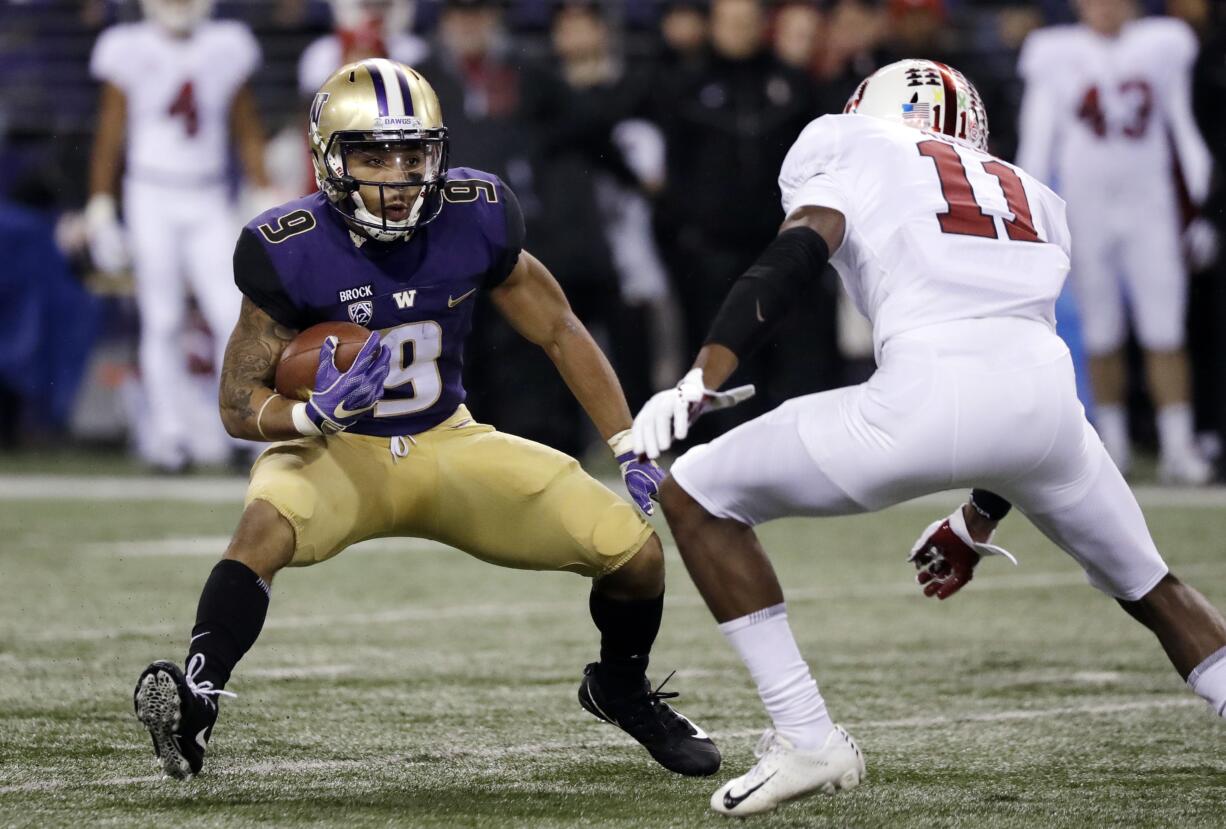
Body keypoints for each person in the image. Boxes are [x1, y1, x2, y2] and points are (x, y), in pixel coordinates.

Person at [631, 59, 1226, 816]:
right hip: (1048, 409)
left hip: (922, 398)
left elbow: (797, 252)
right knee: (1156, 589)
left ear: (866, 109)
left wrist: (700, 375)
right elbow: (1003, 382)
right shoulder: (1031, 192)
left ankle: (807, 733)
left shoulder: (849, 145)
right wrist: (978, 516)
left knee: (696, 492)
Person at [131, 59, 720, 782]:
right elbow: (235, 400)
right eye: (373, 155)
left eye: (414, 154)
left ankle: (621, 687)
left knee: (635, 552)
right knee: (262, 528)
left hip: (448, 440)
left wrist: (628, 442)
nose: (398, 174)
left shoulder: (476, 215)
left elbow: (560, 327)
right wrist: (309, 414)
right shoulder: (287, 247)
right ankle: (196, 697)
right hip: (340, 449)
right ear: (327, 159)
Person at [1016, 0, 1214, 484]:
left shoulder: (1163, 43)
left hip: (1152, 207)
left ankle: (1176, 445)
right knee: (1101, 329)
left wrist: (1200, 207)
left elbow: (1182, 125)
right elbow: (1037, 141)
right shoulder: (1053, 51)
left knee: (1164, 327)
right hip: (1086, 211)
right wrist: (1031, 216)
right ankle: (1113, 445)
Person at [86, 0, 274, 472]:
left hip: (208, 195)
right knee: (163, 317)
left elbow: (245, 124)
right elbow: (111, 131)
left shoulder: (225, 45)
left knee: (231, 312)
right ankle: (168, 436)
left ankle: (243, 424)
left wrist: (261, 187)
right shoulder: (126, 47)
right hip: (151, 192)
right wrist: (101, 204)